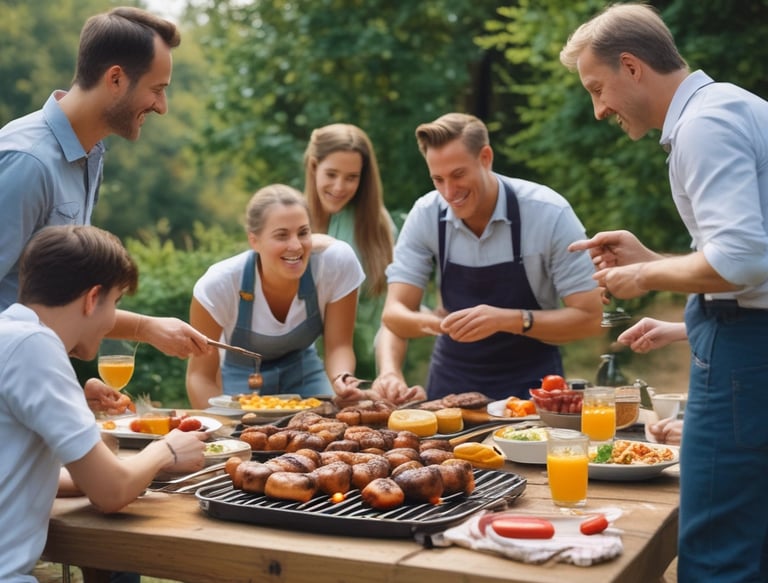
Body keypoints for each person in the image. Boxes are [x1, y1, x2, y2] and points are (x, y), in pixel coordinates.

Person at [561, 4, 768, 580]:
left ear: (631, 67)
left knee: (716, 545)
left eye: (597, 88)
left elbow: (743, 262)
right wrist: (654, 260)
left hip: (745, 356)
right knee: (753, 534)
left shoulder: (705, 123)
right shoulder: (734, 105)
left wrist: (645, 277)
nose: (598, 109)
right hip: (747, 343)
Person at [0, 6, 210, 415]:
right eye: (157, 88)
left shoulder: (88, 154)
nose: (162, 106)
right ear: (116, 78)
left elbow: (56, 299)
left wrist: (145, 330)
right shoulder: (27, 163)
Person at [0, 225, 207, 581]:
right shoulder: (36, 347)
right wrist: (166, 451)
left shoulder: (11, 334)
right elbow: (111, 493)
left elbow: (17, 466)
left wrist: (77, 406)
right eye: (115, 302)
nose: (113, 320)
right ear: (93, 298)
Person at [380, 112, 604, 401]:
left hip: (533, 387)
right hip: (451, 385)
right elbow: (394, 314)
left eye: (458, 175)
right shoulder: (426, 215)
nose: (449, 192)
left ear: (485, 158)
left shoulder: (549, 213)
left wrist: (508, 320)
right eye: (438, 179)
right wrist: (445, 325)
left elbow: (591, 318)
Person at [186, 184, 369, 408]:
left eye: (303, 232)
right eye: (281, 235)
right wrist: (221, 428)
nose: (295, 246)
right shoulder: (219, 285)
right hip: (240, 378)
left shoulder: (335, 264)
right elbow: (200, 376)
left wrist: (342, 379)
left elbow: (339, 345)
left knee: (329, 427)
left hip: (304, 371)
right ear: (254, 240)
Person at [303, 123, 425, 404]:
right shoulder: (291, 219)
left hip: (367, 378)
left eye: (351, 177)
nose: (339, 187)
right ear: (313, 167)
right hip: (304, 377)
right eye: (331, 174)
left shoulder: (379, 228)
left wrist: (388, 373)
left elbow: (389, 314)